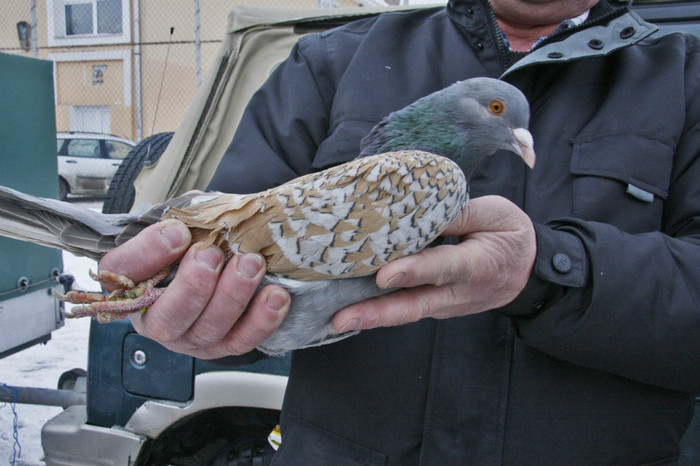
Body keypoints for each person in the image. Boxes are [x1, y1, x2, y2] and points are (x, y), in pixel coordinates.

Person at [99, 0, 700, 463]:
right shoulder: (334, 60)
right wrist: (203, 312)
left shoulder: (686, 79)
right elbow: (240, 257)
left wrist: (546, 270)